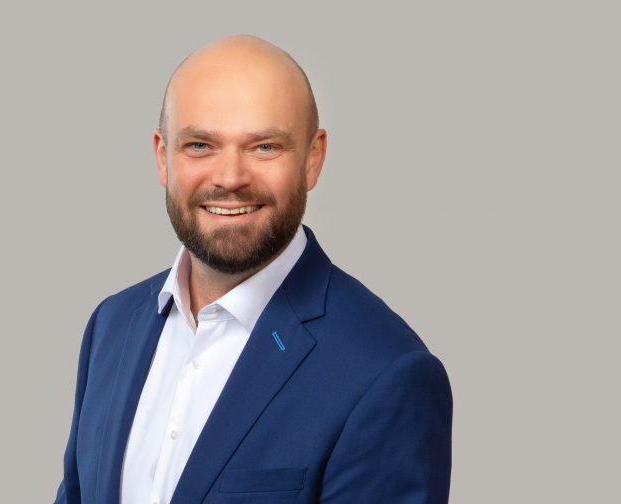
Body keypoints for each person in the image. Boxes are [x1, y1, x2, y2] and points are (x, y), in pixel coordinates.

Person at [54, 35, 452, 504]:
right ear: (163, 156)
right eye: (200, 145)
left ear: (313, 159)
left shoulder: (386, 373)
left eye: (264, 147)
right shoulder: (111, 326)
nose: (230, 177)